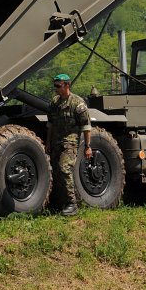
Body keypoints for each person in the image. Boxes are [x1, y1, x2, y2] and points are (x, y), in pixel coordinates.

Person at [46, 73, 91, 216]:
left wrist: (88, 147)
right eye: (55, 85)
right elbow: (50, 124)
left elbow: (86, 126)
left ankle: (73, 204)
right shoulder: (54, 102)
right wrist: (48, 142)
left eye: (58, 85)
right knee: (57, 172)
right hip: (56, 142)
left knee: (65, 168)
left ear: (67, 85)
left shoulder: (78, 103)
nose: (56, 88)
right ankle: (62, 202)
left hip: (70, 143)